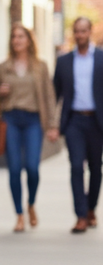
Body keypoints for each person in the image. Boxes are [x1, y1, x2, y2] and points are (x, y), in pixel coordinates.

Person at [0, 24, 58, 232]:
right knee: (13, 169)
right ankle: (19, 214)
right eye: (14, 37)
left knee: (32, 168)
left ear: (29, 40)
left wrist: (53, 125)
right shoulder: (3, 67)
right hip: (10, 119)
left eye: (21, 36)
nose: (17, 40)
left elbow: (49, 96)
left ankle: (31, 205)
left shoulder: (40, 66)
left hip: (33, 120)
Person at [54, 16, 103, 233]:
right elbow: (54, 93)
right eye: (76, 31)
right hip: (73, 120)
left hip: (97, 121)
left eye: (83, 31)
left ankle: (91, 208)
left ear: (90, 32)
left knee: (95, 168)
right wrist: (52, 124)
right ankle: (81, 215)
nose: (80, 35)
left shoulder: (101, 58)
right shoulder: (64, 61)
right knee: (75, 167)